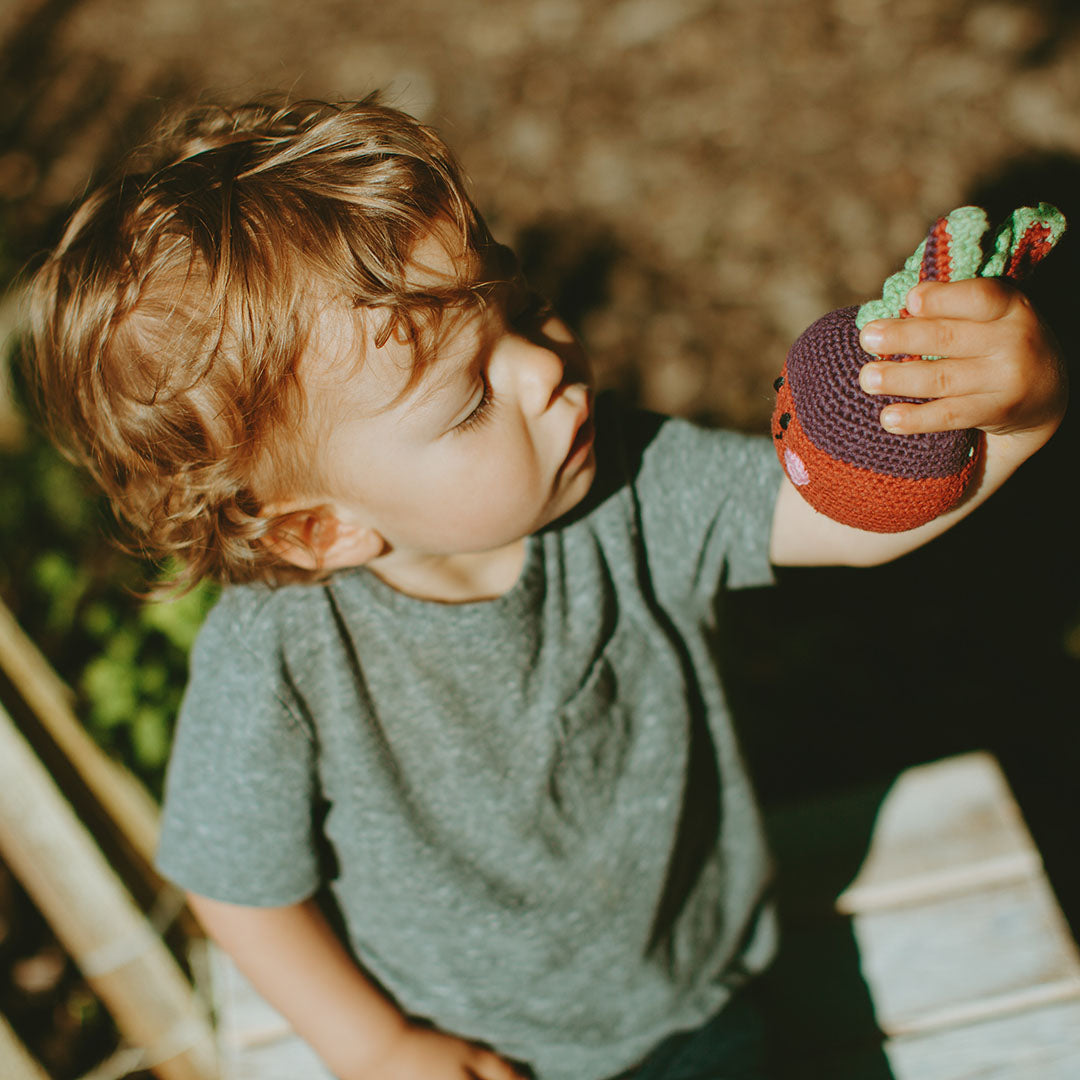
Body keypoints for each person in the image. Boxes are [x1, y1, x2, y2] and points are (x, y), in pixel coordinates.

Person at [23, 97, 1067, 1080]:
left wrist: (1016, 422)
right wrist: (379, 1047)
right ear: (324, 528)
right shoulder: (280, 653)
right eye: (471, 399)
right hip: (468, 1044)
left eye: (521, 305)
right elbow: (236, 885)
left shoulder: (626, 481)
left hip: (684, 1004)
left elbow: (847, 524)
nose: (542, 368)